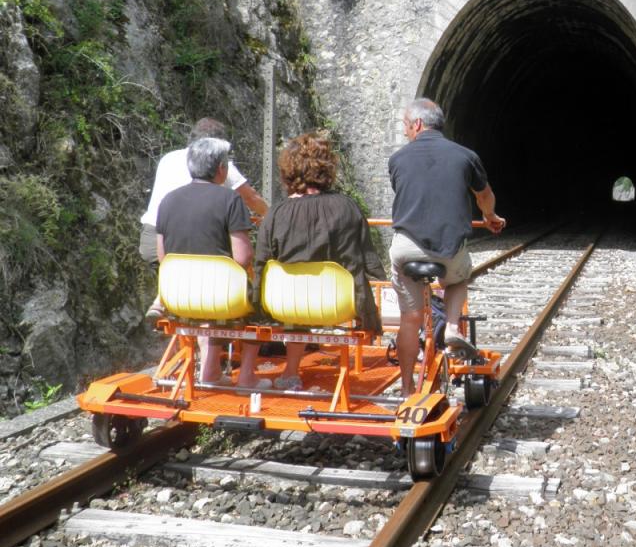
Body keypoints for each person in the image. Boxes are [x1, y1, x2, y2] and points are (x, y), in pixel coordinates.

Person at [388, 98, 505, 397]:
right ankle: (452, 327)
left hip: (406, 248)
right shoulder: (466, 156)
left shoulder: (398, 159)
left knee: (409, 319)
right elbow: (485, 195)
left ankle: (406, 387)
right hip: (448, 249)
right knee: (458, 278)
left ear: (416, 125)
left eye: (405, 126)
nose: (404, 132)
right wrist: (490, 217)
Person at [253, 132, 386, 390]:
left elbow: (261, 264)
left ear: (289, 170)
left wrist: (256, 305)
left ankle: (291, 373)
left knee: (296, 296)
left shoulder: (276, 213)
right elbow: (366, 260)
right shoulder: (346, 207)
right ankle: (344, 380)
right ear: (328, 168)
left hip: (286, 304)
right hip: (335, 306)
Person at [156, 137, 266, 388]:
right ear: (221, 169)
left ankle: (211, 373)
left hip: (178, 297)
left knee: (216, 307)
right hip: (221, 297)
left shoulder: (167, 200)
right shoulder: (230, 200)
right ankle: (247, 377)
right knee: (260, 306)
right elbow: (242, 257)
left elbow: (163, 257)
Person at [140, 117, 268, 272]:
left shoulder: (168, 158)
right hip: (191, 241)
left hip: (153, 239)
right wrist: (270, 217)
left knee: (172, 284)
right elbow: (251, 198)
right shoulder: (216, 162)